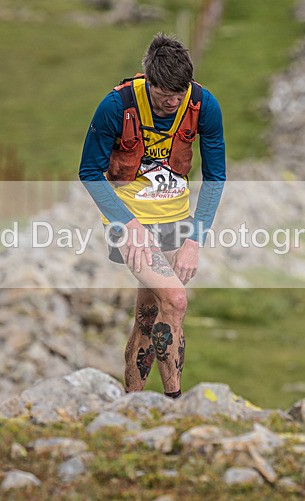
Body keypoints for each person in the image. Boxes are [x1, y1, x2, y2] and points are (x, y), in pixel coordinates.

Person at [79, 33, 226, 399]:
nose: (172, 104)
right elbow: (89, 172)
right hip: (128, 220)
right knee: (175, 301)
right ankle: (175, 405)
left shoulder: (204, 105)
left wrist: (194, 240)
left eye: (179, 96)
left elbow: (215, 176)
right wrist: (128, 225)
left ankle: (132, 403)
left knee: (149, 315)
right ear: (149, 82)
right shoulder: (116, 106)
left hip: (176, 220)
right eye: (164, 97)